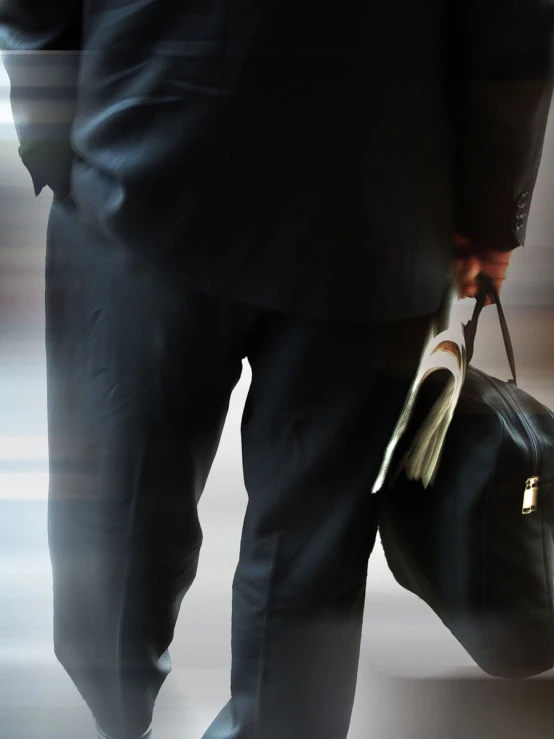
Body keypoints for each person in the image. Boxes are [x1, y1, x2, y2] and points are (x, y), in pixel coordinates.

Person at [1, 2, 552, 738]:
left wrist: (50, 125)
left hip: (141, 155)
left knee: (117, 524)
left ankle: (113, 714)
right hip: (371, 190)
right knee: (306, 562)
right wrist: (490, 207)